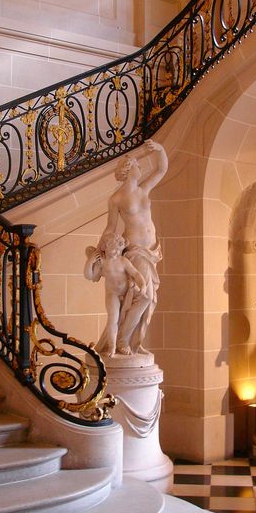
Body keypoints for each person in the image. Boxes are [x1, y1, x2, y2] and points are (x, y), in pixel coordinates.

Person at [85, 139, 168, 357]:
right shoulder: (117, 198)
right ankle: (122, 340)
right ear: (129, 168)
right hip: (136, 250)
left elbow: (162, 169)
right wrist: (100, 251)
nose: (141, 169)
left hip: (151, 251)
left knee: (144, 298)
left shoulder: (143, 189)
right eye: (138, 166)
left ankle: (127, 340)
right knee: (145, 297)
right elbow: (111, 227)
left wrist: (160, 149)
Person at [84, 233, 146, 358]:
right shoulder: (102, 263)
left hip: (128, 291)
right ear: (105, 247)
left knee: (146, 300)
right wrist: (90, 262)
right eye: (114, 249)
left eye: (119, 249)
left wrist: (143, 285)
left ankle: (124, 341)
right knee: (113, 319)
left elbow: (136, 274)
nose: (117, 252)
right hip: (112, 294)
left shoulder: (123, 261)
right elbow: (89, 276)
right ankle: (112, 347)